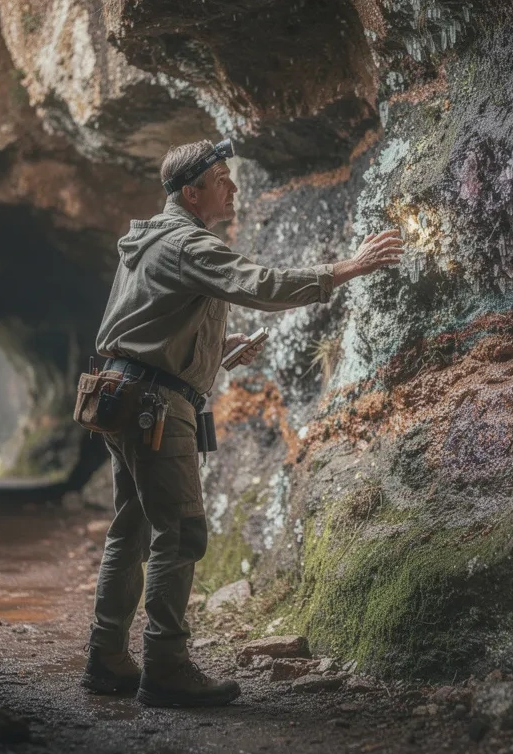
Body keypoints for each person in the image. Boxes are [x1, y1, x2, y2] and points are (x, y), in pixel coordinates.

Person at [82, 138, 404, 707]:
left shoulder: (147, 241)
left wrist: (214, 349)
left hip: (121, 397)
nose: (233, 188)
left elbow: (137, 325)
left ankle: (106, 657)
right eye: (222, 179)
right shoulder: (188, 243)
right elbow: (260, 284)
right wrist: (344, 268)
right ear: (192, 191)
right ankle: (166, 668)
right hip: (157, 407)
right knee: (178, 533)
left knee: (130, 531)